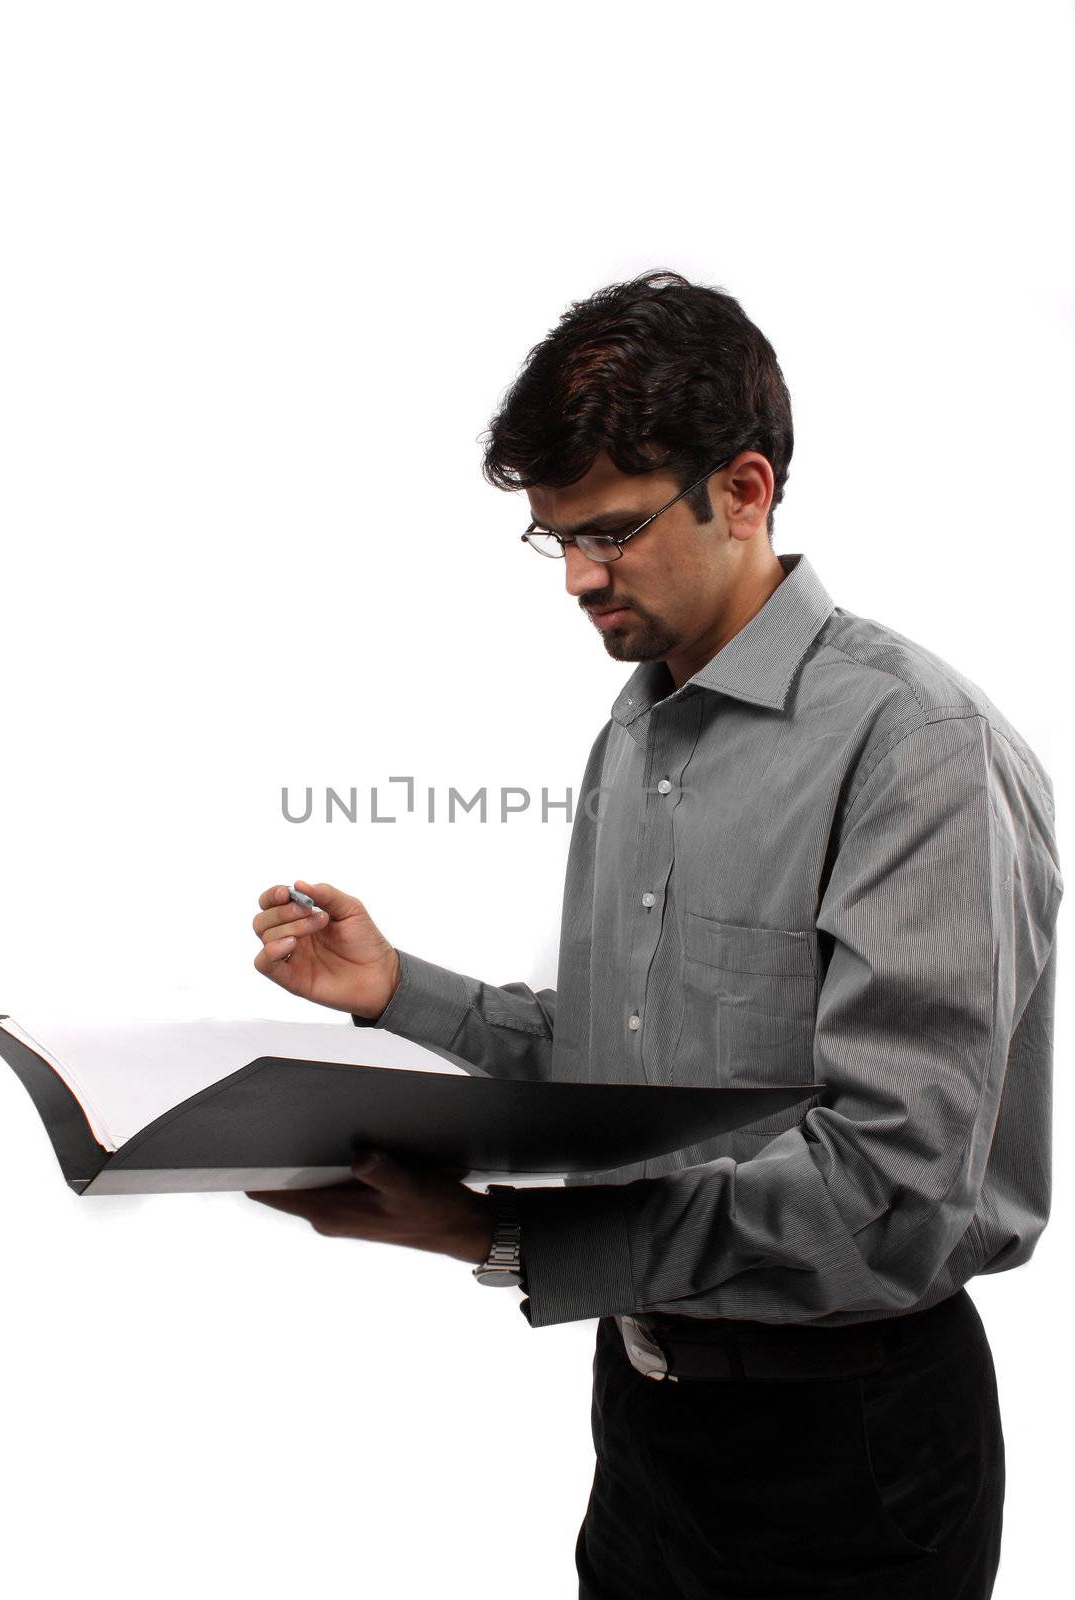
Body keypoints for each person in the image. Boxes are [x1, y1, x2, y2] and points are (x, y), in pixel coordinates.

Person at [246, 270, 1062, 1599]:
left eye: (610, 532)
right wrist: (400, 991)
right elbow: (639, 1064)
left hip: (850, 1454)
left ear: (744, 491)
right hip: (643, 1428)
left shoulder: (918, 752)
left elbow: (896, 1194)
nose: (575, 576)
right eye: (552, 540)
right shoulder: (638, 728)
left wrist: (494, 1238)